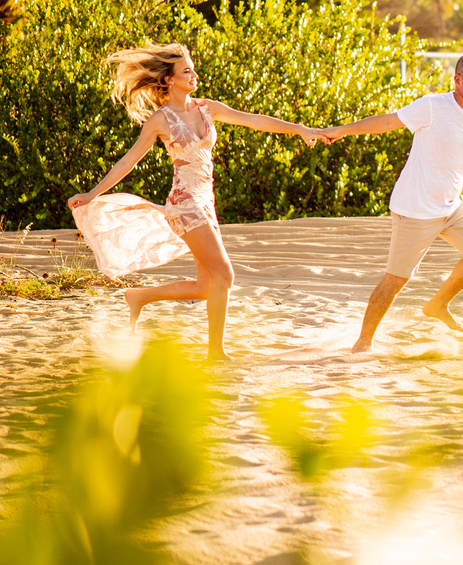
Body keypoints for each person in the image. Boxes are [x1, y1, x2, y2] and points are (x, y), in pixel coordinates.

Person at [68, 42, 321, 360]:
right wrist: (92, 194)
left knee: (207, 286)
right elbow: (127, 162)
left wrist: (298, 129)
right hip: (184, 205)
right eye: (186, 70)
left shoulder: (206, 107)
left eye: (193, 68)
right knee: (225, 275)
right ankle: (216, 353)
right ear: (169, 80)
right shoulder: (161, 120)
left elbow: (254, 120)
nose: (194, 74)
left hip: (206, 204)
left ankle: (140, 297)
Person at [317, 53, 463, 353]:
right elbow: (387, 122)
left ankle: (439, 303)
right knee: (396, 280)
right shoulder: (431, 106)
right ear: (457, 80)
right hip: (415, 209)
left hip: (450, 207)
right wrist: (340, 131)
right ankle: (363, 343)